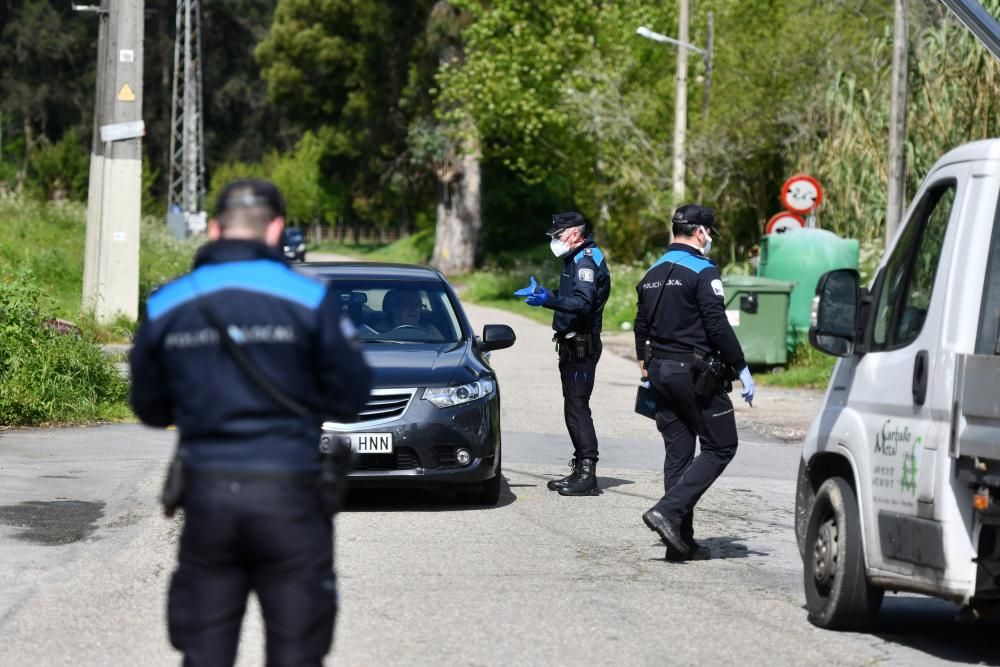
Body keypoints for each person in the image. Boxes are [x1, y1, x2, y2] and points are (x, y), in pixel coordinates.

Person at [129, 178, 373, 666]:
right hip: (292, 499)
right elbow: (351, 398)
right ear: (277, 228)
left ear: (215, 228)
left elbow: (150, 409)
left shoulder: (166, 303)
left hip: (208, 498)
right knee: (297, 653)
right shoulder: (310, 298)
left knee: (204, 653)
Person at [633, 204, 755, 561]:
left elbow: (641, 326)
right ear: (701, 232)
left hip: (659, 371)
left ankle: (679, 542)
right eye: (710, 233)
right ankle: (668, 512)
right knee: (721, 446)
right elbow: (716, 325)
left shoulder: (651, 272)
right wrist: (741, 367)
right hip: (693, 374)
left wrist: (645, 367)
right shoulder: (703, 270)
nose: (710, 239)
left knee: (679, 452)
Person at [513, 211, 611, 496]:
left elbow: (582, 303)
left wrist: (548, 301)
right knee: (573, 406)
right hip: (572, 343)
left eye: (557, 235)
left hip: (582, 345)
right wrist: (548, 292)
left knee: (578, 407)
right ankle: (579, 467)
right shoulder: (576, 257)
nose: (554, 240)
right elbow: (574, 294)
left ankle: (587, 474)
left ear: (574, 234)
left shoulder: (586, 262)